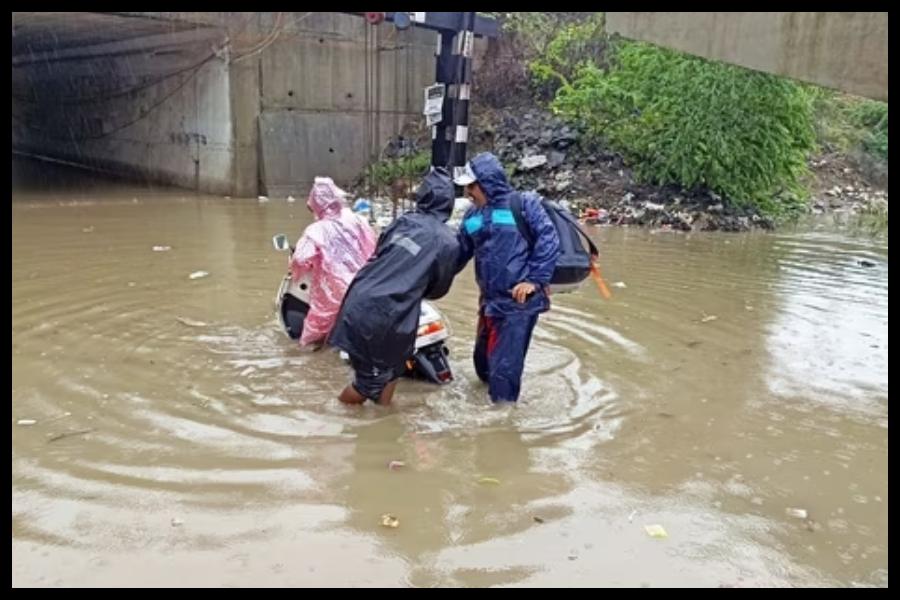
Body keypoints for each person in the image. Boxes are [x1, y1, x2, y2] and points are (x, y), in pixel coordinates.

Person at [330, 167, 460, 405]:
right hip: (385, 314)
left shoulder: (403, 222)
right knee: (367, 384)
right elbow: (439, 289)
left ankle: (383, 415)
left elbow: (381, 252)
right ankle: (337, 419)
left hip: (359, 296)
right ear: (449, 203)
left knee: (393, 370)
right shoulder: (448, 242)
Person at [453, 152, 560, 403]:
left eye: (472, 185)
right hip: (489, 302)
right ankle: (492, 403)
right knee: (483, 366)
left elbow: (548, 239)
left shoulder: (523, 205)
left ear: (486, 183)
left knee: (504, 376)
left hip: (518, 304)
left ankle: (502, 424)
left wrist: (534, 280)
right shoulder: (473, 216)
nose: (468, 192)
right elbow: (460, 251)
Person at [290, 177, 377, 347]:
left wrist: (297, 267)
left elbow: (300, 258)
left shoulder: (316, 230)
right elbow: (373, 244)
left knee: (310, 339)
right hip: (365, 282)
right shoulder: (358, 220)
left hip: (334, 292)